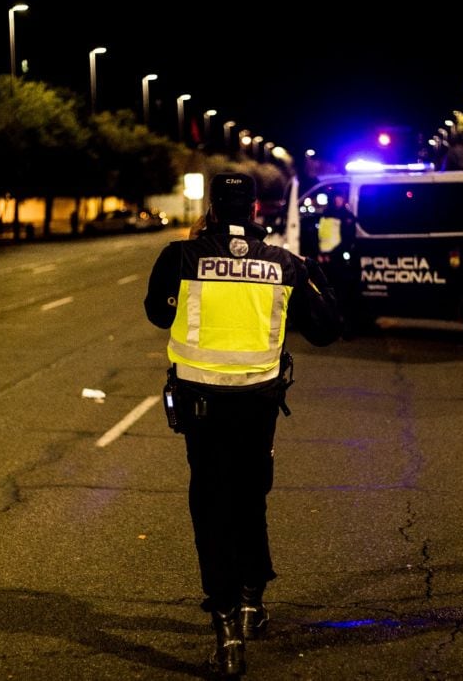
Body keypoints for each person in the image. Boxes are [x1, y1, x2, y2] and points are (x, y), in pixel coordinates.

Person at [144, 172, 342, 677]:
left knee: (210, 506)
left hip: (201, 407)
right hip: (258, 405)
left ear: (211, 207)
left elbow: (156, 314)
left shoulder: (180, 257)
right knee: (250, 496)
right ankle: (253, 597)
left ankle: (227, 624)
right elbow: (326, 329)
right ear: (255, 210)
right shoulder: (284, 263)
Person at [316, 192, 358, 334]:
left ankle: (346, 328)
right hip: (325, 261)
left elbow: (347, 240)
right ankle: (331, 325)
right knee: (328, 295)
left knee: (343, 295)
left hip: (339, 262)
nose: (337, 200)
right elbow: (322, 238)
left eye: (339, 198)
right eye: (335, 198)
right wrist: (321, 254)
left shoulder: (346, 216)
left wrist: (332, 255)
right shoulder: (326, 215)